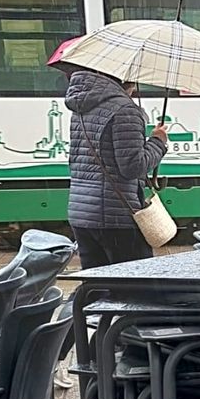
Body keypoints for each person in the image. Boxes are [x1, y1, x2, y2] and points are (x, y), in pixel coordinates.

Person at [64, 69, 168, 268]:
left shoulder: (80, 107)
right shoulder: (125, 110)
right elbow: (132, 167)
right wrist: (158, 142)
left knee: (97, 286)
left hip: (81, 213)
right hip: (116, 216)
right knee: (135, 287)